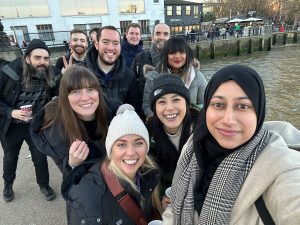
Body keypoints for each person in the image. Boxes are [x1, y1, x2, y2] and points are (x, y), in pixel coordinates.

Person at [162, 64, 300, 224]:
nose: (228, 119)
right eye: (218, 105)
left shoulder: (282, 167)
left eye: (242, 106)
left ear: (259, 111)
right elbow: (175, 207)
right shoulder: (193, 148)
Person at [62, 104, 162, 225]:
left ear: (146, 148)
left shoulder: (148, 174)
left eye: (138, 143)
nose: (130, 153)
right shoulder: (87, 197)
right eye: (121, 144)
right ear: (110, 150)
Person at [0, 39, 61, 202]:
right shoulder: (8, 73)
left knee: (40, 157)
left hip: (35, 124)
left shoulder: (52, 73)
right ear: (27, 58)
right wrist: (10, 112)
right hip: (12, 126)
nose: (42, 62)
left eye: (46, 58)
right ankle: (7, 185)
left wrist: (67, 75)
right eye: (38, 58)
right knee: (10, 157)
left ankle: (44, 185)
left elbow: (60, 93)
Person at [30, 65, 119, 173]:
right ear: (64, 97)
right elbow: (69, 180)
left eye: (90, 89)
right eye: (76, 92)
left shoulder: (114, 112)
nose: (85, 98)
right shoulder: (55, 132)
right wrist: (71, 164)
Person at [147, 74, 200, 209]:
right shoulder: (148, 134)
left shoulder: (204, 126)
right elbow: (152, 174)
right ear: (155, 108)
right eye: (162, 102)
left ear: (186, 103)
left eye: (176, 100)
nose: (169, 108)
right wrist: (161, 197)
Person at [81, 25, 141, 116]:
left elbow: (135, 112)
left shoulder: (129, 76)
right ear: (97, 45)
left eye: (116, 43)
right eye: (105, 42)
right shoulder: (80, 73)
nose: (111, 48)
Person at [143, 36, 207, 118]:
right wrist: (160, 121)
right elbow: (147, 106)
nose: (177, 56)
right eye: (172, 53)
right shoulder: (153, 77)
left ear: (187, 55)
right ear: (166, 55)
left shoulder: (198, 77)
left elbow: (204, 104)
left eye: (182, 52)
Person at [131, 23, 170, 119]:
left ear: (170, 38)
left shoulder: (176, 61)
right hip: (145, 116)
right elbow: (132, 89)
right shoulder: (139, 59)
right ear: (152, 38)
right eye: (158, 33)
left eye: (165, 34)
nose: (162, 37)